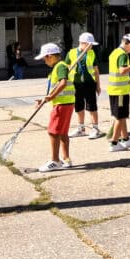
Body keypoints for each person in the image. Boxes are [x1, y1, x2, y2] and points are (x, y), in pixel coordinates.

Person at [34, 43, 77, 172]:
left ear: (51, 56)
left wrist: (52, 96)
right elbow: (55, 87)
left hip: (61, 105)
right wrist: (46, 98)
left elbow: (63, 83)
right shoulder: (59, 67)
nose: (44, 60)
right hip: (65, 103)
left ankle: (55, 160)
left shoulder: (60, 67)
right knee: (62, 133)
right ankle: (66, 159)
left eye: (45, 58)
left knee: (53, 132)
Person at [108, 34, 130, 151]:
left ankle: (126, 139)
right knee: (119, 117)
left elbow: (119, 73)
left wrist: (128, 80)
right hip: (120, 92)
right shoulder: (123, 55)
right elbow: (122, 71)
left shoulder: (114, 52)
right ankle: (114, 143)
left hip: (116, 90)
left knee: (121, 116)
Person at [67, 32, 103, 139]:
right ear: (82, 43)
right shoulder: (72, 53)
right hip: (76, 84)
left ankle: (95, 128)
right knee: (79, 107)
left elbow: (96, 71)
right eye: (90, 44)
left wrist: (98, 85)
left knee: (92, 106)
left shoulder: (91, 53)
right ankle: (81, 128)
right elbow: (67, 68)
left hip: (89, 84)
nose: (91, 47)